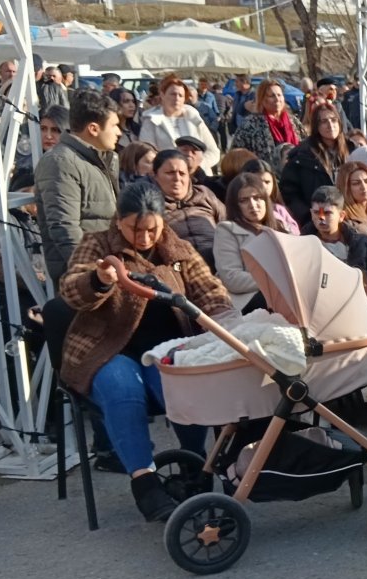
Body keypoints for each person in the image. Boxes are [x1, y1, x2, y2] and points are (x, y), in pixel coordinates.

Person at [58, 180, 235, 522]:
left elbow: (210, 291)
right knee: (123, 390)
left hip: (165, 349)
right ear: (118, 221)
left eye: (151, 229)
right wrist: (99, 279)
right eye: (133, 229)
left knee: (184, 382)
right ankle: (145, 482)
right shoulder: (96, 245)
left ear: (162, 221)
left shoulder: (177, 249)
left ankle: (192, 463)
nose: (143, 238)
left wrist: (224, 318)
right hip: (107, 350)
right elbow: (70, 291)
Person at [34, 88, 122, 284]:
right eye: (115, 125)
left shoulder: (104, 158)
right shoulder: (60, 162)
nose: (119, 132)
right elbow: (65, 228)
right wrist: (95, 272)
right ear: (93, 128)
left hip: (109, 267)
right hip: (87, 278)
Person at [213, 172, 280, 303]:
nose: (253, 205)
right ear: (235, 205)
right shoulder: (226, 230)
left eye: (257, 198)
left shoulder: (280, 228)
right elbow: (232, 278)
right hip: (249, 300)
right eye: (244, 200)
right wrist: (276, 280)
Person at [151, 148, 225, 267]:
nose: (177, 178)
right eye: (170, 173)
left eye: (182, 173)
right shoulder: (149, 204)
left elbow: (228, 223)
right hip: (180, 267)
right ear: (155, 175)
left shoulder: (204, 194)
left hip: (220, 261)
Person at [279, 104, 349, 227]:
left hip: (349, 217)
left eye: (333, 120)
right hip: (318, 221)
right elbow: (289, 193)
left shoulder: (352, 149)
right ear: (316, 126)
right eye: (324, 121)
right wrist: (308, 217)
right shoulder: (301, 156)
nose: (330, 125)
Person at [303, 186, 367, 286]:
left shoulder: (361, 242)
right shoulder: (304, 244)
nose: (321, 218)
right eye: (316, 212)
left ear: (341, 216)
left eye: (327, 213)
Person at [139, 74, 220, 175]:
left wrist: (197, 166)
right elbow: (147, 156)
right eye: (173, 94)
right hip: (166, 178)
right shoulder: (151, 121)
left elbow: (213, 152)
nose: (177, 98)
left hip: (198, 177)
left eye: (180, 95)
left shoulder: (194, 118)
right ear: (162, 95)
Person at [229, 79, 299, 170]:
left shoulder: (294, 122)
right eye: (272, 96)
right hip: (264, 176)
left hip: (296, 174)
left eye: (279, 95)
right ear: (262, 99)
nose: (277, 99)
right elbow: (236, 155)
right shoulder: (251, 124)